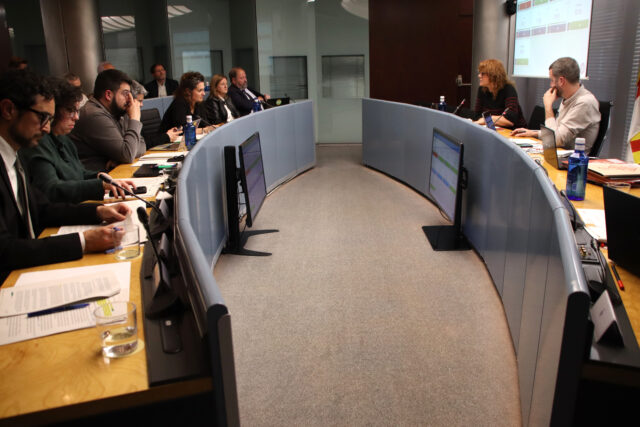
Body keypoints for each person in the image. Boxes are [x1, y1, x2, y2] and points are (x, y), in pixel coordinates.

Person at [0, 70, 131, 283]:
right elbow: (4, 249)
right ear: (8, 110)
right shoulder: (20, 153)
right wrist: (83, 241)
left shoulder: (14, 156)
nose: (46, 128)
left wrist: (98, 211)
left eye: (50, 119)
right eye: (42, 117)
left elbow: (42, 209)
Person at [20, 78, 136, 204]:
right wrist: (99, 186)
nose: (76, 117)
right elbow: (51, 189)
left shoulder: (64, 138)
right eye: (71, 111)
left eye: (77, 111)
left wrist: (100, 177)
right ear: (54, 111)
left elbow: (79, 173)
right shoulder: (37, 142)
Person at [512, 57, 601, 153]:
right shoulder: (569, 98)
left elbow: (555, 140)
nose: (551, 85)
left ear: (561, 81)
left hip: (572, 160)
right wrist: (534, 133)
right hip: (559, 154)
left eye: (552, 80)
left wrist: (548, 106)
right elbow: (558, 132)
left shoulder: (585, 102)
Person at [70, 69, 146, 171]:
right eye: (125, 94)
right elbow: (128, 154)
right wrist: (135, 119)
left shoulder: (116, 111)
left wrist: (121, 157)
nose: (129, 99)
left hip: (110, 173)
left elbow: (142, 145)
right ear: (108, 95)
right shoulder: (94, 115)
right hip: (94, 177)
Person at [473, 59, 527, 129]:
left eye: (482, 73)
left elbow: (509, 121)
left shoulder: (508, 89)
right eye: (479, 73)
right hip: (494, 129)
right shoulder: (482, 89)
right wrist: (487, 120)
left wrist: (487, 119)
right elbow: (477, 116)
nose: (479, 76)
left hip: (515, 131)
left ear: (493, 75)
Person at [130, 80, 180, 148]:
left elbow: (144, 140)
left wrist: (167, 135)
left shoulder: (135, 117)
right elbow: (142, 144)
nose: (142, 105)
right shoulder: (127, 119)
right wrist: (166, 136)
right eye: (139, 101)